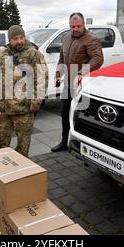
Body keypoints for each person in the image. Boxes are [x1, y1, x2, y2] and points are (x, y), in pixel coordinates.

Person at [0, 25, 48, 157]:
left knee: (23, 144)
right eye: (15, 38)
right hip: (3, 108)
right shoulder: (1, 53)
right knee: (1, 139)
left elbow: (42, 78)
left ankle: (19, 170)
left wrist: (36, 101)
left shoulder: (34, 54)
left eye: (22, 37)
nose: (20, 41)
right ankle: (4, 166)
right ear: (9, 40)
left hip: (24, 108)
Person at [51, 12, 104, 152]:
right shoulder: (67, 37)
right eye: (72, 26)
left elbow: (97, 60)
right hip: (68, 83)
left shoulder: (91, 39)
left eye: (78, 26)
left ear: (83, 24)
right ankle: (64, 141)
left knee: (82, 115)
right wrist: (57, 74)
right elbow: (62, 58)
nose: (75, 29)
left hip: (83, 84)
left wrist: (82, 73)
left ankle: (85, 146)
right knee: (64, 112)